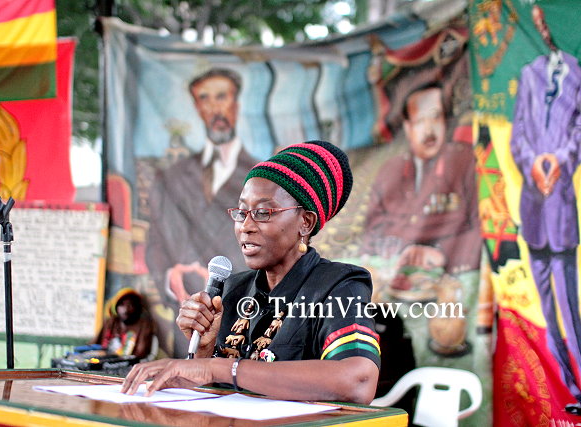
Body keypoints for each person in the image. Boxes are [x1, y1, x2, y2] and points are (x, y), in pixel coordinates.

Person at [123, 140, 380, 404]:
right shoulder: (233, 291)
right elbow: (216, 397)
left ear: (305, 222)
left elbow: (358, 381)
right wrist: (203, 352)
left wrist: (219, 367)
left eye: (262, 212)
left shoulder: (338, 286)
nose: (245, 226)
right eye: (242, 212)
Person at [146, 68, 258, 356]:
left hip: (245, 324)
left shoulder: (264, 180)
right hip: (186, 323)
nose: (214, 107)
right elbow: (155, 243)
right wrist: (173, 278)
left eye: (222, 96)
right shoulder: (169, 177)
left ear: (236, 103)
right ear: (197, 107)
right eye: (205, 99)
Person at [510, 5, 581, 413]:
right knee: (546, 309)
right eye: (534, 20)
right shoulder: (531, 74)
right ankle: (567, 390)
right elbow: (519, 132)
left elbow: (577, 131)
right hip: (534, 208)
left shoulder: (577, 72)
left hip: (563, 208)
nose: (540, 26)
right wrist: (533, 163)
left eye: (544, 19)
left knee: (570, 306)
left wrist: (559, 162)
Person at [363, 84, 480, 299]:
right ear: (407, 128)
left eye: (436, 118)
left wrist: (441, 252)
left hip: (453, 273)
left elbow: (483, 225)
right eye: (419, 122)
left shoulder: (465, 163)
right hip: (396, 275)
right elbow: (371, 230)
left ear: (446, 122)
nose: (429, 131)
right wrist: (406, 246)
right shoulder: (390, 170)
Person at [93, 288, 155, 360]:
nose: (126, 310)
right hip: (103, 361)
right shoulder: (111, 322)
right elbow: (95, 343)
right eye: (122, 304)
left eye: (130, 305)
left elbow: (141, 353)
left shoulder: (144, 325)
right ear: (116, 307)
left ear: (137, 308)